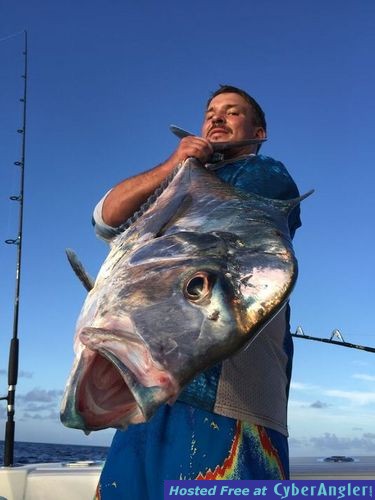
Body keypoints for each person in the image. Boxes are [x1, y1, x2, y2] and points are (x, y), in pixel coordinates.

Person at [93, 85, 301, 499]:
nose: (217, 118)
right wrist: (176, 162)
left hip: (228, 394)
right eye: (211, 112)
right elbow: (105, 218)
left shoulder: (266, 174)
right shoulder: (179, 176)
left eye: (232, 112)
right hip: (150, 384)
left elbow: (215, 235)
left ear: (259, 133)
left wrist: (188, 174)